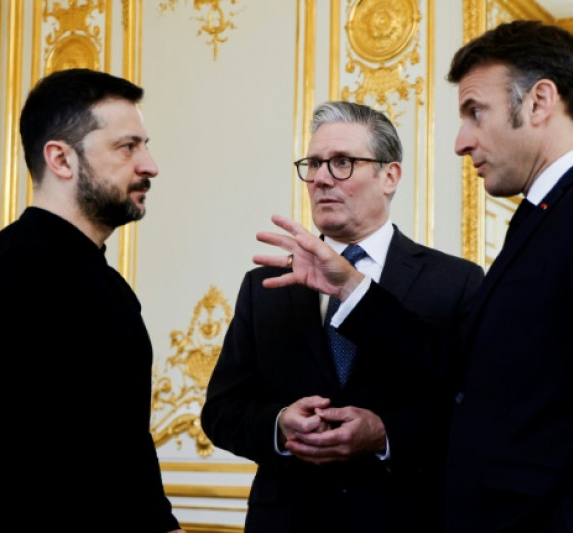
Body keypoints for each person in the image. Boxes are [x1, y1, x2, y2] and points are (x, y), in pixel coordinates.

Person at [251, 20, 573, 532]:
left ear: (539, 102)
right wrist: (350, 287)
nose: (461, 142)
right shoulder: (545, 216)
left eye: (474, 112)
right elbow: (460, 367)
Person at [200, 101, 483, 533]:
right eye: (314, 164)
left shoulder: (455, 281)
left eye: (342, 162)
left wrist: (385, 434)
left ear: (390, 176)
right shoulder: (265, 286)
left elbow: (472, 411)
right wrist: (280, 425)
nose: (321, 178)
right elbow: (221, 412)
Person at [0, 69, 183, 533]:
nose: (150, 165)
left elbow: (122, 442)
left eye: (145, 146)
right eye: (127, 147)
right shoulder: (9, 276)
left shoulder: (106, 283)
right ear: (60, 158)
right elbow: (29, 467)